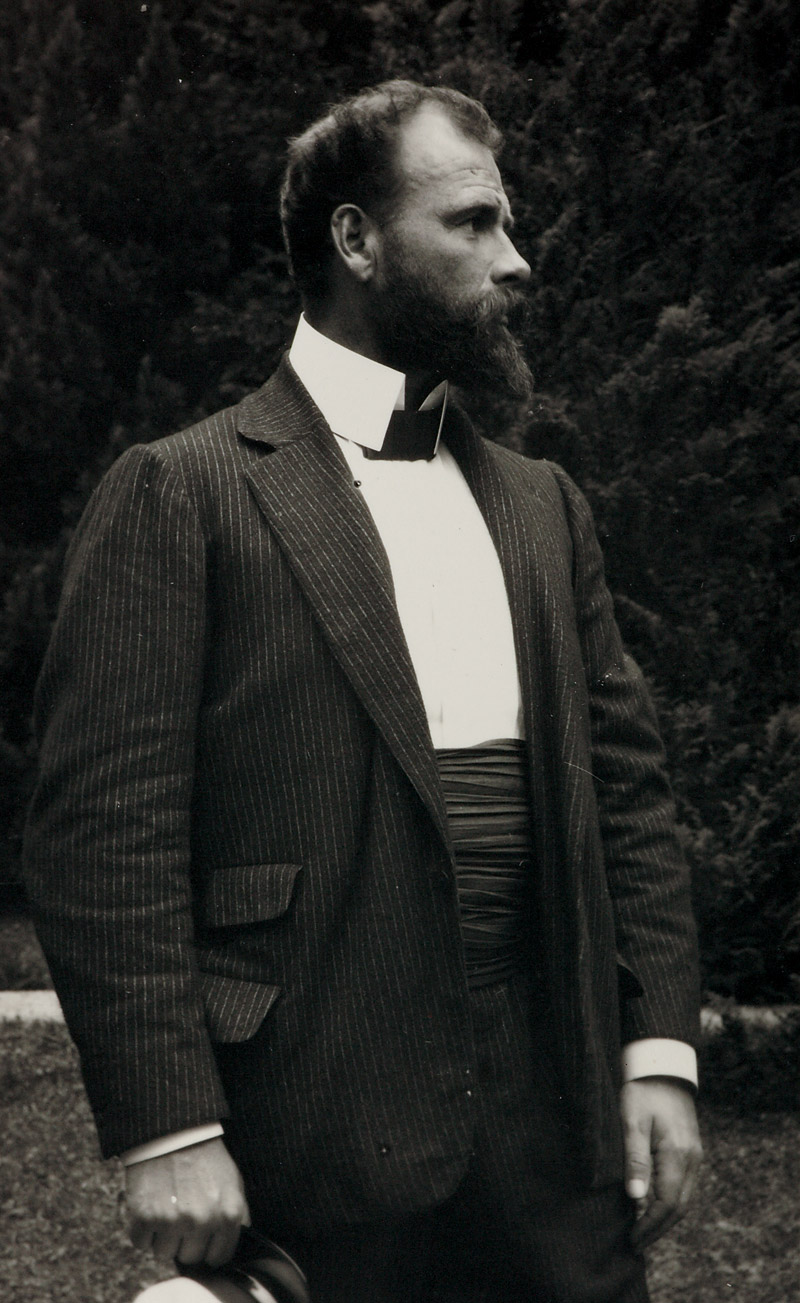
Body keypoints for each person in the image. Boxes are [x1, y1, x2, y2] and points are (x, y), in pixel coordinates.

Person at [24, 80, 702, 1303]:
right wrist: (167, 1127)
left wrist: (656, 1049)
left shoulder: (546, 505)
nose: (517, 260)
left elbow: (629, 797)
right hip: (308, 1130)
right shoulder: (180, 490)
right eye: (473, 224)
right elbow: (99, 839)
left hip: (555, 1154)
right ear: (354, 239)